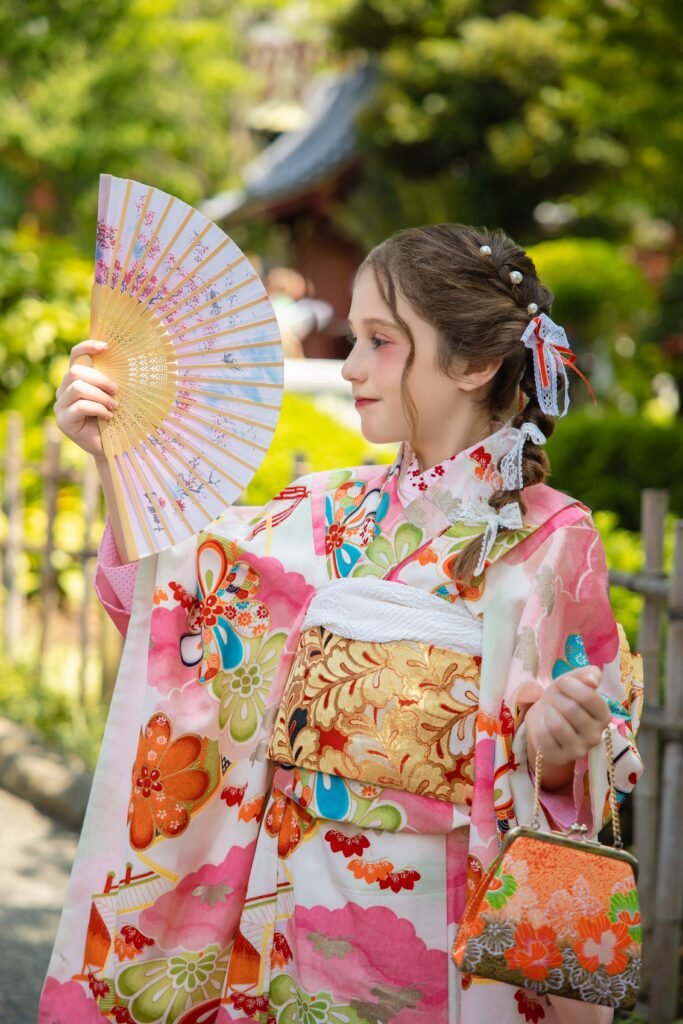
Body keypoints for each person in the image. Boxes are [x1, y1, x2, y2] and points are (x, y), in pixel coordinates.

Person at [41, 224, 643, 1024]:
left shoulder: (551, 537)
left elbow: (593, 735)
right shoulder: (327, 510)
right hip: (295, 891)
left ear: (472, 363)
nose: (352, 364)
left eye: (379, 341)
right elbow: (184, 611)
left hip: (443, 905)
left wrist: (562, 750)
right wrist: (111, 459)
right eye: (354, 337)